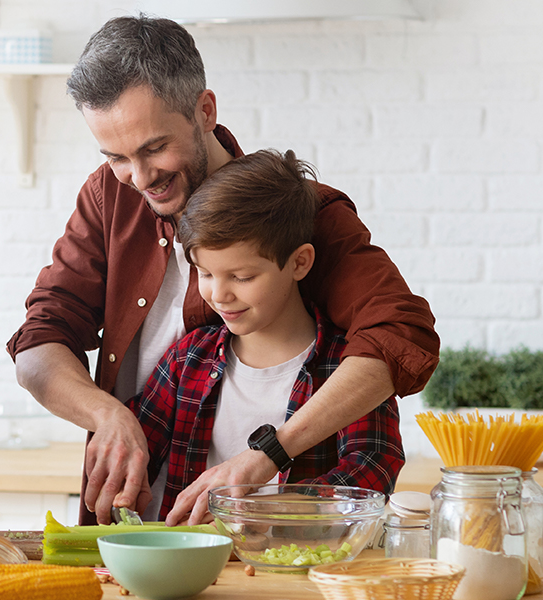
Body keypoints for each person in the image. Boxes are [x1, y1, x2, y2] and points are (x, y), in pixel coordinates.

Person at [7, 16, 438, 524]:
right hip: (146, 531)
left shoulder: (298, 213)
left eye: (153, 148)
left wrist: (268, 459)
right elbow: (38, 343)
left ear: (204, 110)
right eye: (116, 156)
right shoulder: (109, 195)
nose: (140, 178)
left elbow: (400, 334)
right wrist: (107, 416)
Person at [132, 149, 405, 526]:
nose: (219, 295)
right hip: (191, 572)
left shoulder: (348, 369)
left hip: (299, 573)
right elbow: (135, 453)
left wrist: (259, 513)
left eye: (242, 277)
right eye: (205, 273)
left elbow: (371, 474)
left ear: (299, 262)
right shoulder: (186, 359)